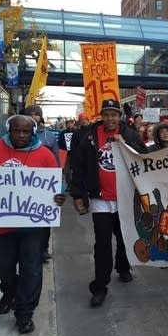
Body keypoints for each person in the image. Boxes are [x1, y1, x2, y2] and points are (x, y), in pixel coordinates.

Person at [0, 115, 66, 334]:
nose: (21, 135)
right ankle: (9, 291)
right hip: (0, 223)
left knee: (32, 269)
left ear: (33, 132)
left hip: (32, 226)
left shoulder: (44, 155)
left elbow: (57, 184)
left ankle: (25, 313)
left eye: (26, 132)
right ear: (9, 130)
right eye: (17, 131)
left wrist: (59, 196)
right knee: (3, 264)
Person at [69, 99, 148, 307]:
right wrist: (78, 195)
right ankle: (100, 286)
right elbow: (78, 167)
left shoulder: (130, 134)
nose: (111, 118)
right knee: (102, 243)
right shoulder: (89, 137)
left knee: (123, 238)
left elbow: (145, 158)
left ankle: (122, 267)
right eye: (107, 114)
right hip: (100, 200)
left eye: (114, 114)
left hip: (125, 198)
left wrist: (126, 145)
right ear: (101, 116)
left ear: (119, 116)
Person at [24, 105, 60, 262]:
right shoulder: (18, 134)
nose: (33, 117)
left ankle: (43, 247)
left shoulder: (49, 137)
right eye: (30, 114)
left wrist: (59, 185)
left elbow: (57, 161)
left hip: (44, 184)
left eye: (36, 114)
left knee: (44, 217)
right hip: (23, 183)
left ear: (41, 117)